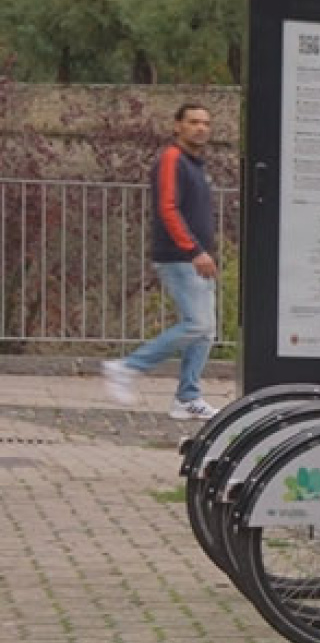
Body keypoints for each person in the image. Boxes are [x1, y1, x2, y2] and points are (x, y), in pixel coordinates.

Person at [100, 103, 224, 420]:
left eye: (205, 123)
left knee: (205, 331)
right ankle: (127, 368)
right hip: (180, 257)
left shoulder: (195, 165)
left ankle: (187, 397)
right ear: (177, 126)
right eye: (193, 122)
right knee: (196, 324)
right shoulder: (172, 158)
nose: (201, 128)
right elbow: (168, 208)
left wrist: (204, 252)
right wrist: (194, 250)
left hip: (198, 258)